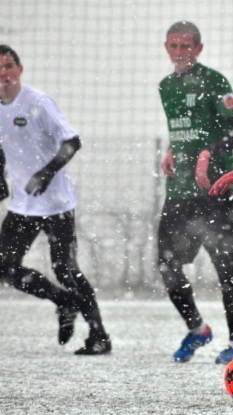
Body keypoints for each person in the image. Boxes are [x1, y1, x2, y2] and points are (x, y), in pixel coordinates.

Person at [0, 45, 111, 355]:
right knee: (4, 268)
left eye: (8, 66)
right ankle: (64, 302)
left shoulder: (38, 103)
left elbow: (71, 142)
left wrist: (45, 174)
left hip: (56, 204)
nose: (3, 75)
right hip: (23, 205)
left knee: (65, 269)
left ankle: (100, 336)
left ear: (19, 69)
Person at [158, 21, 233, 364]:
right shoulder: (166, 86)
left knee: (225, 269)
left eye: (186, 46)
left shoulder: (215, 82)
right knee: (167, 265)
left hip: (214, 193)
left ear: (199, 48)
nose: (179, 53)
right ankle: (198, 329)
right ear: (166, 48)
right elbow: (186, 127)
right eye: (173, 46)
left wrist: (208, 153)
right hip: (179, 192)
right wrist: (171, 149)